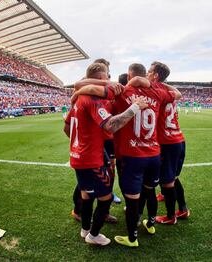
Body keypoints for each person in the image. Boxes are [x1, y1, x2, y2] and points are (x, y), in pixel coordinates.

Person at [64, 62, 147, 246]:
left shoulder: (78, 99)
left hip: (78, 157)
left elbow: (66, 128)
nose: (109, 79)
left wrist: (81, 141)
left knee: (86, 194)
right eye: (108, 76)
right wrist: (134, 108)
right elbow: (111, 125)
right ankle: (93, 235)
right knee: (105, 198)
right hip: (91, 159)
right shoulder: (92, 99)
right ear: (102, 78)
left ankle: (85, 228)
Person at [112, 63, 181, 247]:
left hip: (132, 154)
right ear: (146, 75)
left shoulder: (123, 92)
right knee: (150, 190)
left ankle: (132, 238)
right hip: (153, 154)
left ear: (129, 75)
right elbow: (177, 94)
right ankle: (150, 224)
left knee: (132, 198)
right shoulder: (158, 93)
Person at [130, 62, 189, 225]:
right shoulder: (167, 90)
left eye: (149, 72)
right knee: (172, 177)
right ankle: (182, 208)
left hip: (167, 142)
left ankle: (171, 216)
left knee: (168, 181)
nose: (146, 74)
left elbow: (137, 81)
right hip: (178, 139)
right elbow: (178, 94)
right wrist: (163, 81)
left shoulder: (155, 89)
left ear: (155, 76)